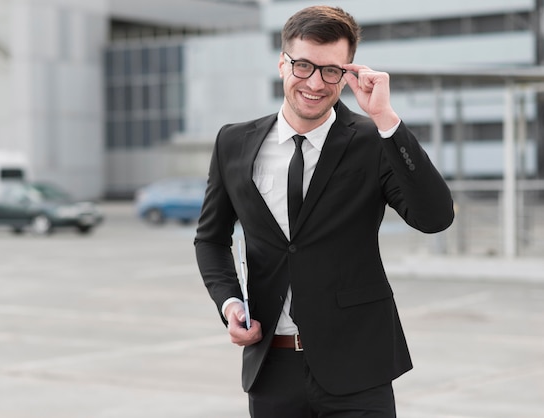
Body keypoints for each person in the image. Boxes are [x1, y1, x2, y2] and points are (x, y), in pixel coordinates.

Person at [194, 5, 454, 418]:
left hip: (358, 369)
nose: (315, 83)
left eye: (331, 71)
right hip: (271, 367)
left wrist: (385, 118)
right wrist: (229, 303)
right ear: (283, 63)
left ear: (348, 74)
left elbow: (435, 218)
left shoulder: (374, 140)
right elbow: (210, 238)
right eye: (303, 66)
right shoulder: (233, 143)